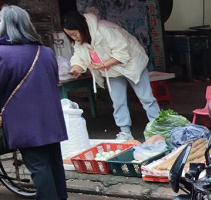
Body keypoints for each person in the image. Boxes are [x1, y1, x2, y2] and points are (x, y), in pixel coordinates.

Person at [0, 6, 70, 200]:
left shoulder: (0, 53)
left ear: (6, 25)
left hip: (26, 118)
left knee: (37, 162)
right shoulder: (45, 51)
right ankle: (61, 199)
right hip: (51, 115)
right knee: (53, 158)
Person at [62, 11, 159, 142]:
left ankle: (158, 128)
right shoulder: (80, 41)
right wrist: (75, 69)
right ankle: (125, 132)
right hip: (112, 72)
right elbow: (79, 58)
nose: (74, 38)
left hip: (132, 65)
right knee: (118, 102)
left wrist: (102, 65)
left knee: (146, 98)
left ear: (82, 27)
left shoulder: (105, 29)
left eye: (74, 34)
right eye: (70, 36)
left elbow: (122, 53)